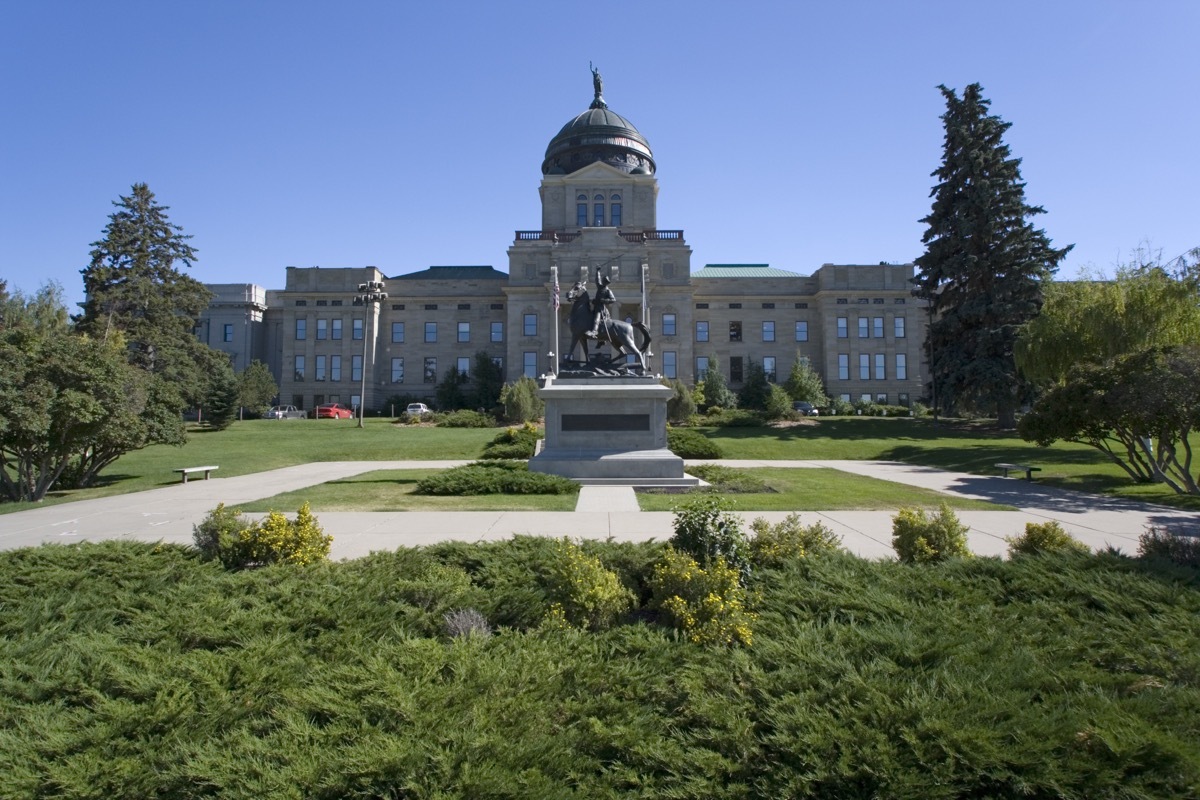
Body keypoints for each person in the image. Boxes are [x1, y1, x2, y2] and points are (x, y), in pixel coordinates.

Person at [585, 273, 616, 339]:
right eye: (603, 281)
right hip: (595, 307)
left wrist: (604, 300)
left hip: (601, 308)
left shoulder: (608, 291)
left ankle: (594, 332)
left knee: (597, 319)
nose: (603, 282)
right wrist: (597, 271)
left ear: (607, 283)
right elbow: (597, 280)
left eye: (605, 281)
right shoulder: (600, 287)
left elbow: (613, 299)